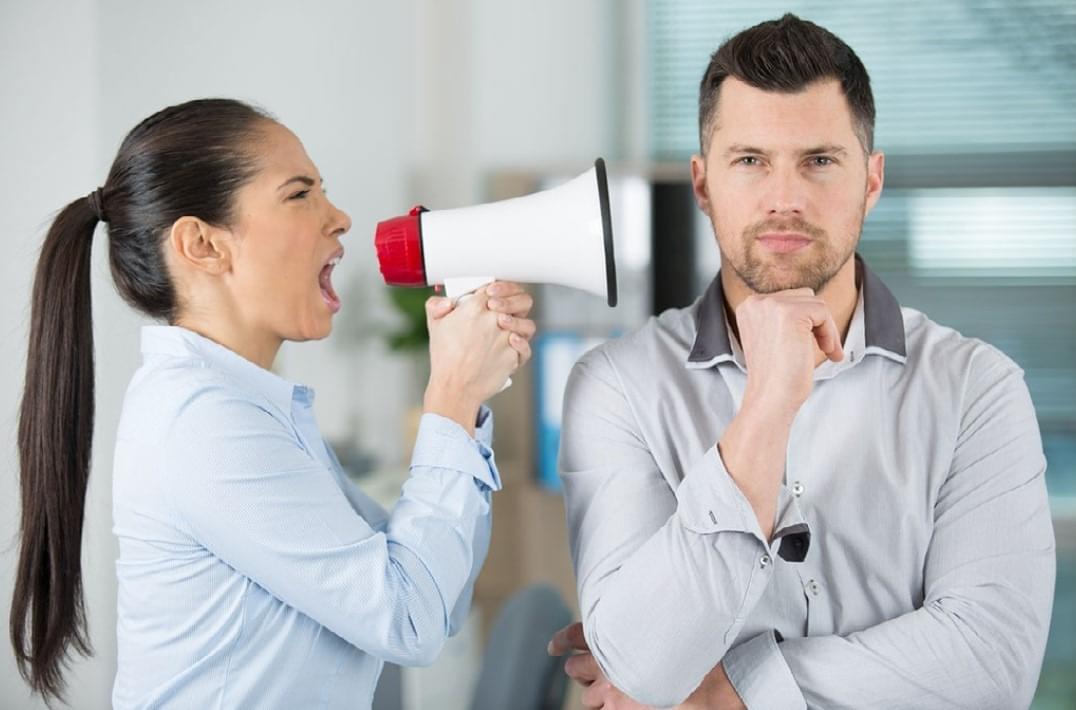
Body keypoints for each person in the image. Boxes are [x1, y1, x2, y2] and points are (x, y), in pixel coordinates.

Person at [547, 14, 1055, 710]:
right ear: (703, 184)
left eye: (819, 160)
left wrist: (732, 689)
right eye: (750, 160)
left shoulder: (977, 390)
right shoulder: (617, 386)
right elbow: (640, 660)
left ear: (871, 181)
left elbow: (990, 665)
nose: (784, 198)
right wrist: (769, 401)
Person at [9, 98, 536, 708]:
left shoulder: (244, 406)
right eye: (299, 194)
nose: (338, 217)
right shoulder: (202, 424)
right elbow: (409, 620)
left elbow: (439, 595)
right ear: (203, 245)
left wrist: (463, 412)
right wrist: (453, 397)